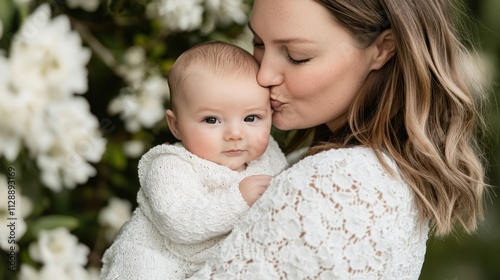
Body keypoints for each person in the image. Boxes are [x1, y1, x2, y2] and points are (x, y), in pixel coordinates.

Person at [188, 0, 489, 279]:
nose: (264, 75)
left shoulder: (339, 181)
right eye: (258, 44)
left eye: (296, 56)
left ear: (383, 49)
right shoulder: (350, 167)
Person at [100, 41, 288, 280]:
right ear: (176, 125)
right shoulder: (171, 166)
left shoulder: (268, 153)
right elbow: (178, 222)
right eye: (212, 120)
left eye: (251, 117)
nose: (235, 134)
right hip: (160, 256)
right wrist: (238, 199)